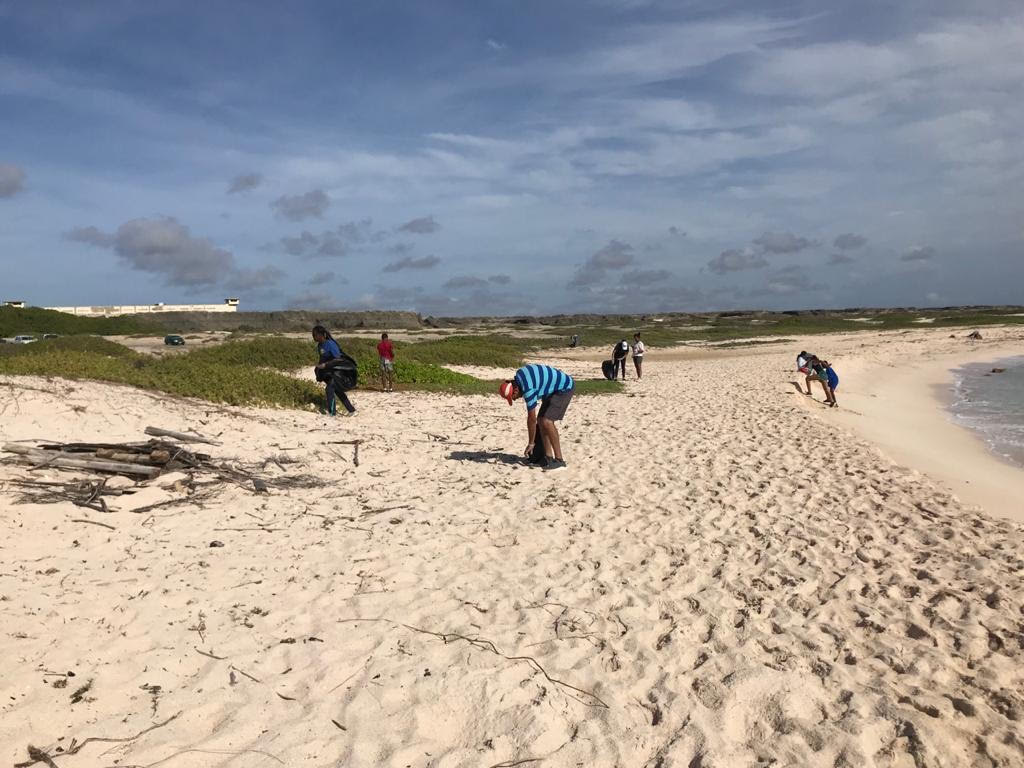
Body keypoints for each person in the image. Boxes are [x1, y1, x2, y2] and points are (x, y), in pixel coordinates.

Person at [499, 364, 575, 471]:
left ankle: (559, 460)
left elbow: (531, 419)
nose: (515, 399)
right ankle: (548, 457)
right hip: (551, 390)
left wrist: (531, 443)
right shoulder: (519, 376)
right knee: (541, 420)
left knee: (547, 421)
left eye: (513, 398)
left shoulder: (527, 389)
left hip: (564, 388)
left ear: (515, 391)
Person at [312, 325, 356, 416]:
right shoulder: (320, 346)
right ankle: (351, 410)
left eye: (316, 335)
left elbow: (338, 359)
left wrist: (326, 365)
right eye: (313, 335)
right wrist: (318, 368)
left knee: (329, 389)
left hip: (339, 372)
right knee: (337, 390)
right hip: (330, 372)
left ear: (322, 335)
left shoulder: (330, 344)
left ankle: (332, 413)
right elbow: (322, 358)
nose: (314, 337)